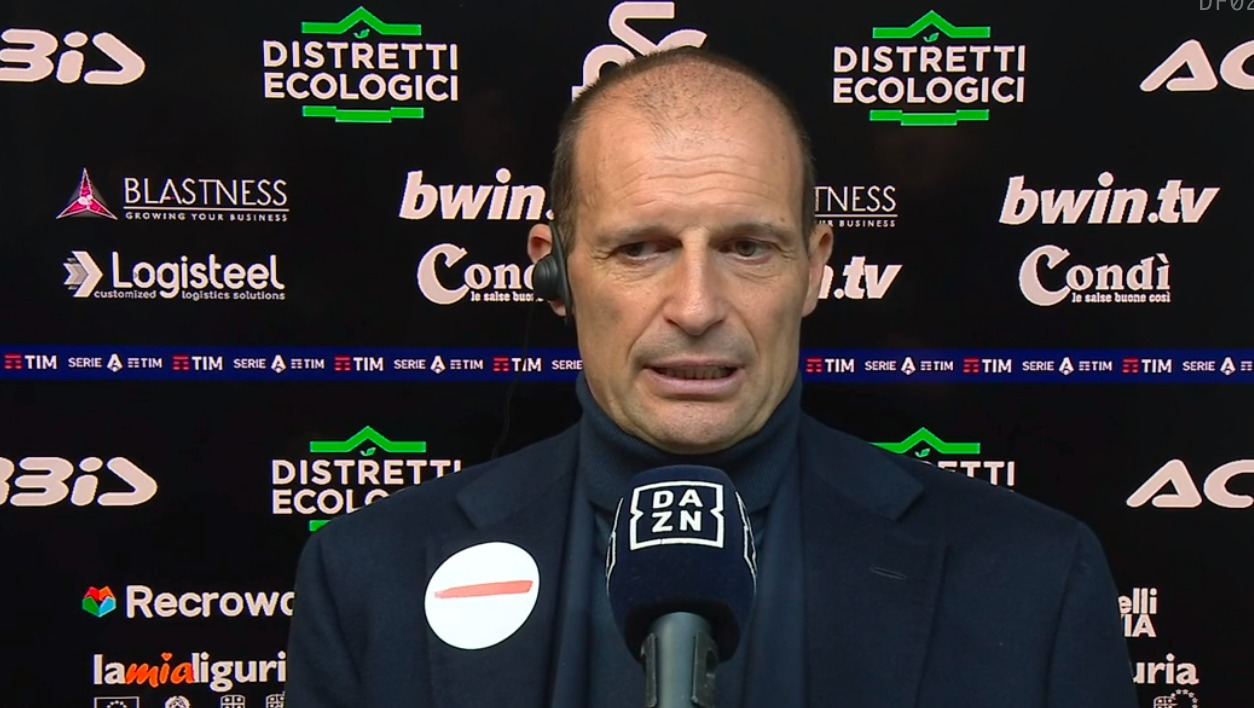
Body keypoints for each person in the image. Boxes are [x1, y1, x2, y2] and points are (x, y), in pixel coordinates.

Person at [285, 46, 1138, 708]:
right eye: (640, 248)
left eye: (747, 247)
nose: (696, 306)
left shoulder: (1034, 580)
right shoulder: (368, 578)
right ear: (557, 272)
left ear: (815, 268)